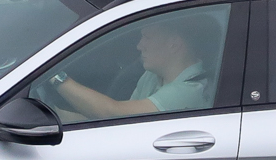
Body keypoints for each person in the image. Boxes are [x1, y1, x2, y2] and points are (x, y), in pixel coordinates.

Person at [50, 11, 219, 120]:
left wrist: (55, 76)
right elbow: (116, 121)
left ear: (174, 44)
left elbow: (112, 113)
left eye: (147, 37)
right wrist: (54, 114)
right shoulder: (154, 75)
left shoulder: (189, 91)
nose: (139, 45)